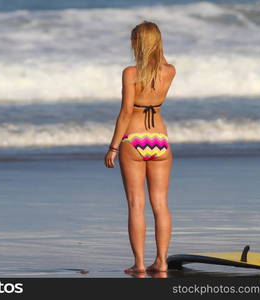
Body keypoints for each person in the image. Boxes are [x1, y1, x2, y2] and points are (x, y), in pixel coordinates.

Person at [104, 21, 176, 274]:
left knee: (136, 204)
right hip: (160, 140)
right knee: (161, 204)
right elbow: (160, 62)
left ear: (137, 44)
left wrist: (113, 147)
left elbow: (125, 112)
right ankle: (162, 262)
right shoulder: (170, 71)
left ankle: (140, 264)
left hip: (133, 140)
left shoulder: (130, 73)